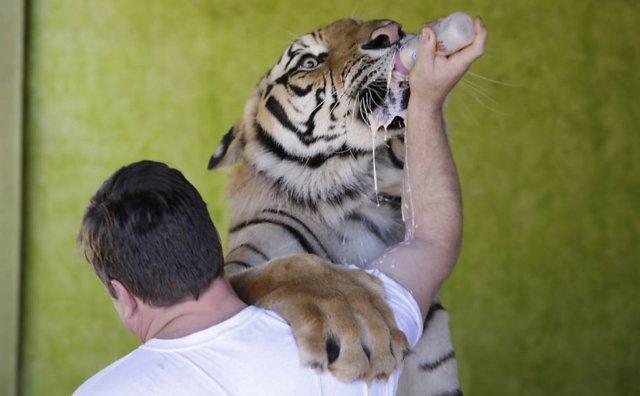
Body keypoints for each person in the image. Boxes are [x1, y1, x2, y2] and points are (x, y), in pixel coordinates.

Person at [74, 20, 487, 396]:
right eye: (310, 62)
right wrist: (428, 103)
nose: (381, 35)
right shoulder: (379, 305)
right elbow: (433, 240)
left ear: (123, 297)